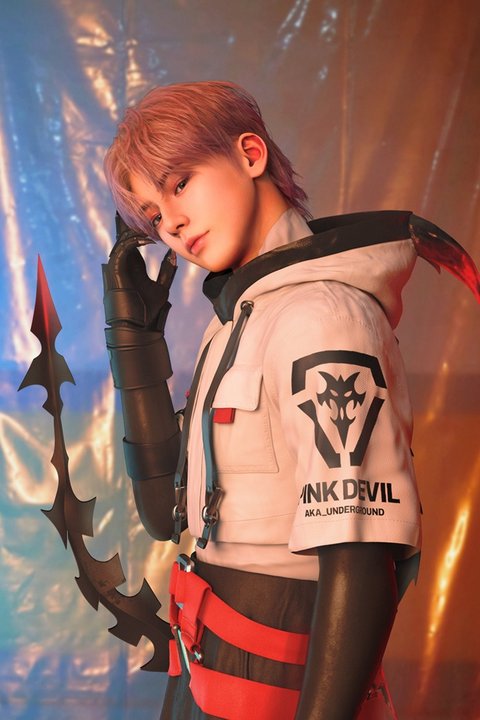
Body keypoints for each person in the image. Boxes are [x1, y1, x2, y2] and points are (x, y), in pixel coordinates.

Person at [101, 80, 428, 720]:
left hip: (280, 694)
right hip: (203, 680)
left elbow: (361, 551)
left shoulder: (322, 316)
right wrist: (134, 343)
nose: (172, 224)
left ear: (250, 154)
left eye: (179, 183)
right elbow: (166, 515)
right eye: (153, 214)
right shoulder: (238, 322)